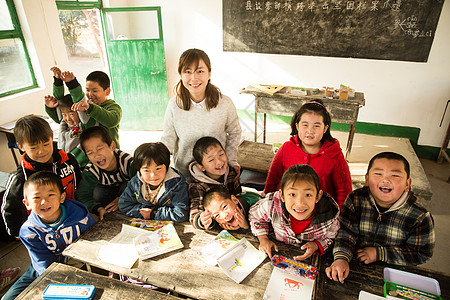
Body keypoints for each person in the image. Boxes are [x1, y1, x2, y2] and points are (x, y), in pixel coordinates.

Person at [325, 152, 435, 283]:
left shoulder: (420, 216)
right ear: (366, 179)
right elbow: (345, 232)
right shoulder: (356, 199)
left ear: (407, 184)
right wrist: (341, 258)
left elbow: (421, 253)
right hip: (353, 264)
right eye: (378, 174)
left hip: (394, 273)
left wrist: (379, 253)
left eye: (395, 175)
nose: (386, 180)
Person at [2, 171, 95, 299]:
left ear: (62, 197)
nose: (44, 202)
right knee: (9, 298)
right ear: (27, 203)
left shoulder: (80, 216)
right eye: (36, 197)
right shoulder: (29, 231)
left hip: (77, 264)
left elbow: (95, 242)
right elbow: (43, 264)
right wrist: (58, 284)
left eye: (50, 195)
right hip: (41, 266)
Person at [161, 48, 241, 179]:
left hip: (216, 174)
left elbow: (235, 132)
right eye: (188, 71)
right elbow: (168, 139)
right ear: (180, 75)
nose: (194, 78)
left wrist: (231, 160)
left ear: (209, 74)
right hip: (185, 176)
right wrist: (159, 165)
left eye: (200, 71)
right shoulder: (174, 105)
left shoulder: (225, 103)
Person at [1, 115, 81, 238]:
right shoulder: (21, 177)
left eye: (46, 144)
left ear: (51, 139)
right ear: (20, 147)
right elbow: (10, 208)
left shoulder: (68, 160)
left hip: (73, 219)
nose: (41, 151)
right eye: (33, 148)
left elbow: (80, 185)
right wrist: (20, 234)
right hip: (43, 232)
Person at [264, 100, 352, 208]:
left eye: (316, 126)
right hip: (286, 210)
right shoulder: (286, 149)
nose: (310, 131)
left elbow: (344, 191)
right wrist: (267, 204)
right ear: (297, 126)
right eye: (305, 125)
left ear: (325, 128)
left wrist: (341, 217)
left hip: (321, 214)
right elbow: (272, 180)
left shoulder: (335, 156)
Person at [250, 164, 340, 260]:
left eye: (308, 195)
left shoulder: (329, 217)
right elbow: (255, 216)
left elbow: (332, 237)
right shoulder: (271, 205)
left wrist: (317, 245)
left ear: (318, 196)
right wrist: (263, 239)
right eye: (292, 194)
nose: (300, 203)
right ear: (282, 195)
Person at [76, 126, 136, 220]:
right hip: (107, 196)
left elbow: (141, 183)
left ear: (112, 146)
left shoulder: (127, 162)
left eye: (100, 148)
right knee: (97, 192)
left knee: (129, 185)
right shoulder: (91, 171)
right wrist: (97, 208)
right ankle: (109, 211)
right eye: (90, 152)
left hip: (125, 193)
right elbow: (83, 196)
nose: (96, 155)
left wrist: (123, 198)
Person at [119, 142, 189, 222]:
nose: (153, 175)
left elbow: (181, 213)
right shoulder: (136, 183)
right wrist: (144, 212)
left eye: (158, 169)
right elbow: (124, 205)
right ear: (139, 170)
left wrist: (154, 213)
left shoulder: (176, 184)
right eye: (146, 170)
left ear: (167, 167)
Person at [44, 66, 97, 168]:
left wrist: (72, 83)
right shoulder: (63, 124)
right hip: (64, 165)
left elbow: (79, 100)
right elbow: (59, 101)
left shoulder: (85, 124)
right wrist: (58, 81)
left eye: (72, 114)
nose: (68, 118)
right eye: (64, 115)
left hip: (81, 167)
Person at [188, 136, 242, 230]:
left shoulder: (231, 172)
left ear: (225, 152)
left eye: (221, 155)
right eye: (211, 160)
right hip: (216, 227)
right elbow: (194, 215)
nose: (219, 162)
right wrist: (202, 220)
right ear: (201, 167)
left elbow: (239, 196)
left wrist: (237, 219)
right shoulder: (198, 186)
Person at [71, 70, 122, 148]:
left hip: (110, 152)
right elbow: (65, 119)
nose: (90, 94)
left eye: (95, 91)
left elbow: (112, 120)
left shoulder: (113, 107)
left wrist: (91, 108)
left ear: (107, 91)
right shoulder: (85, 106)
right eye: (87, 90)